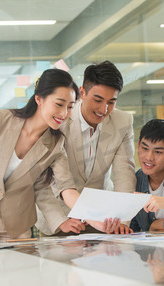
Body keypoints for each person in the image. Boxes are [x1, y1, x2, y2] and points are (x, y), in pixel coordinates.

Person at [0, 69, 119, 241]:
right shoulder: (1, 120)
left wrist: (95, 220)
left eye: (70, 107)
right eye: (59, 104)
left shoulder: (56, 144)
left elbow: (66, 189)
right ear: (39, 99)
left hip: (16, 226)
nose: (64, 114)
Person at [35, 61, 136, 235]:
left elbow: (124, 174)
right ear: (82, 92)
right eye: (98, 100)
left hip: (103, 219)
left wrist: (122, 219)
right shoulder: (59, 120)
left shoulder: (123, 122)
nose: (103, 109)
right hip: (60, 218)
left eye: (111, 102)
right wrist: (60, 221)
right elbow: (46, 179)